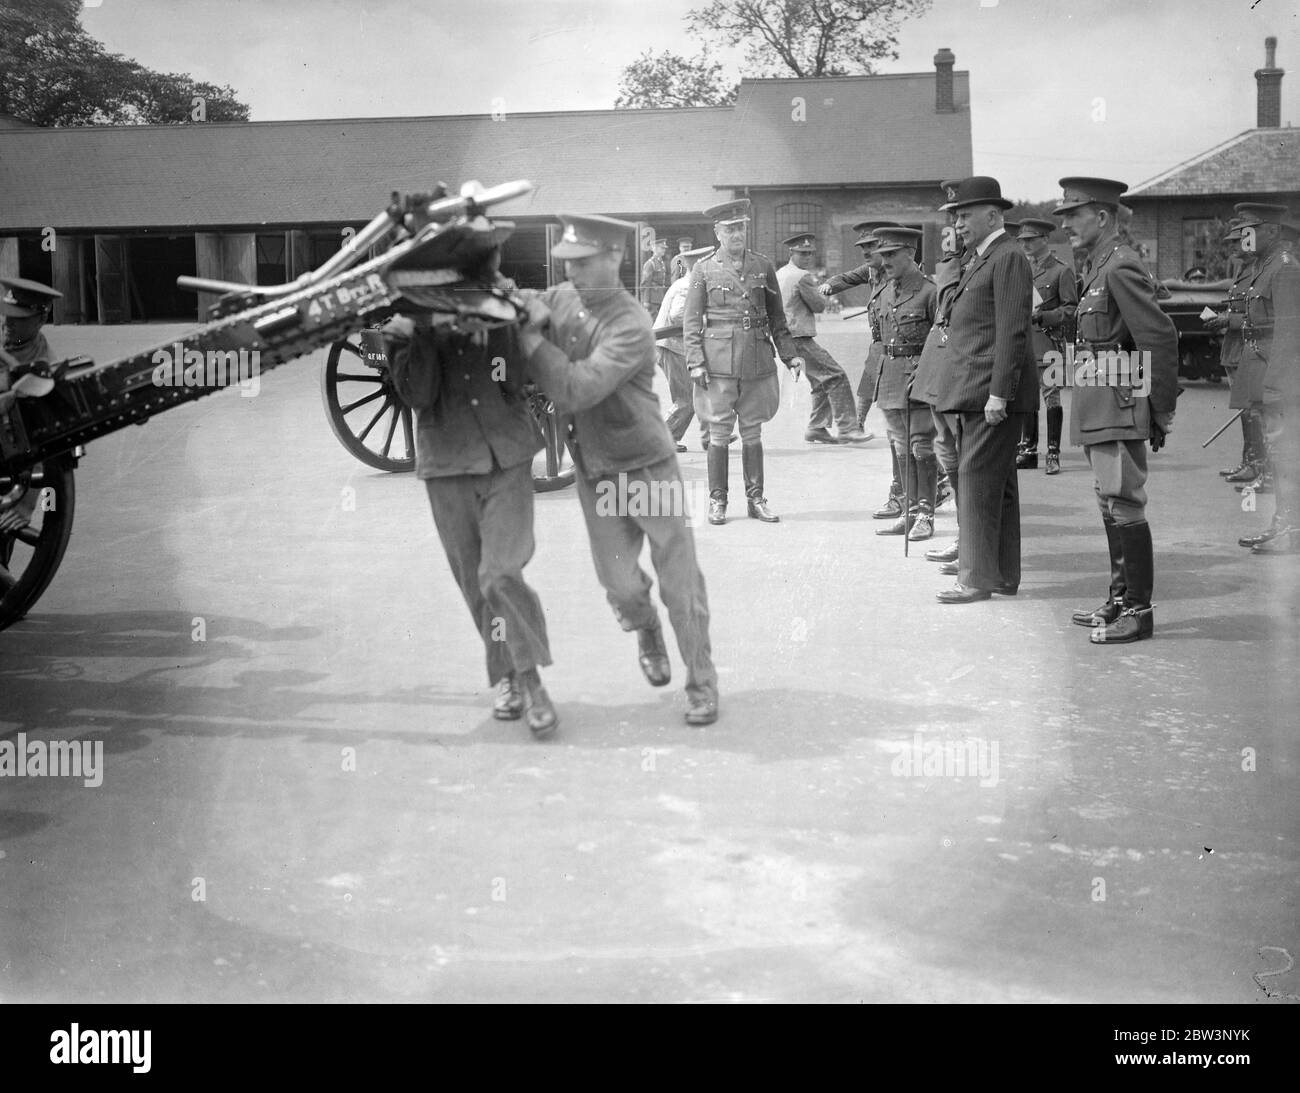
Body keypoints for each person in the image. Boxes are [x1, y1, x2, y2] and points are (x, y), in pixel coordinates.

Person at [519, 213, 719, 726]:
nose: (574, 273)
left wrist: (530, 342)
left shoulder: (630, 324)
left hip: (646, 469)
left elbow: (577, 389)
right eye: (568, 264)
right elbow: (528, 298)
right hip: (597, 470)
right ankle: (645, 626)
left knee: (680, 586)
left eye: (584, 263)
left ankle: (701, 682)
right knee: (621, 584)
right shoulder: (564, 297)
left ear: (615, 258)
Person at [1054, 177, 1179, 641]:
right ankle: (1118, 599)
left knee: (1124, 500)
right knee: (1108, 498)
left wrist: (1160, 408)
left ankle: (1138, 611)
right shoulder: (1096, 265)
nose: (1065, 224)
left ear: (1103, 217)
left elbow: (1158, 337)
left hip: (1118, 398)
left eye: (1073, 215)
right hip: (1097, 395)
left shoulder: (1120, 266)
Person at [926, 176, 1037, 604]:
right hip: (976, 390)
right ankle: (1003, 575)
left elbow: (1012, 332)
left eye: (965, 214)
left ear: (993, 214)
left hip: (989, 394)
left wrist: (999, 394)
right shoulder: (982, 257)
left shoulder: (1007, 256)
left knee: (974, 480)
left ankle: (975, 579)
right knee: (1000, 485)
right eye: (955, 215)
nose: (958, 222)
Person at [682, 198, 804, 525]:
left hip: (756, 359)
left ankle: (756, 499)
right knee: (719, 433)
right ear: (717, 232)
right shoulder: (704, 269)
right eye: (730, 229)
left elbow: (778, 318)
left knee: (753, 432)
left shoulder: (762, 267)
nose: (736, 234)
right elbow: (691, 322)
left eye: (740, 228)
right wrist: (695, 361)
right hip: (718, 363)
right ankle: (717, 501)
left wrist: (790, 355)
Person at [1230, 204, 1300, 553]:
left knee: (1286, 453)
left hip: (1281, 374)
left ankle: (1289, 528)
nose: (1244, 237)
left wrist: (1276, 384)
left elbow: (1290, 331)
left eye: (1249, 230)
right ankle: (1285, 525)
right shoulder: (1266, 267)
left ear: (1271, 231)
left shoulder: (1285, 268)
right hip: (1265, 365)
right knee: (1278, 452)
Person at [869, 227, 938, 541]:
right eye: (883, 255)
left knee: (921, 443)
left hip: (917, 377)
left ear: (910, 253)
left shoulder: (929, 292)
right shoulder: (884, 291)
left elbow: (940, 343)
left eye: (891, 254)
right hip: (890, 376)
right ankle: (909, 510)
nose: (885, 261)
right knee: (899, 444)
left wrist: (924, 376)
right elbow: (880, 340)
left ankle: (926, 513)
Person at [776, 232, 870, 445]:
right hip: (799, 336)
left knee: (821, 382)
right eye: (802, 253)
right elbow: (818, 306)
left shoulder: (781, 272)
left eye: (810, 253)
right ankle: (848, 429)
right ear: (791, 252)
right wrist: (821, 294)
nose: (808, 257)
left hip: (786, 337)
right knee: (835, 376)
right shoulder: (801, 276)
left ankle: (816, 428)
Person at [0, 277, 62, 598]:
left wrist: (25, 504)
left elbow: (42, 446)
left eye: (18, 319)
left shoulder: (42, 363)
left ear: (41, 318)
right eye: (6, 314)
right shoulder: (4, 336)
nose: (8, 323)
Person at [915, 204, 967, 569]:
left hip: (965, 379)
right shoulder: (948, 268)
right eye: (950, 226)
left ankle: (972, 541)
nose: (953, 231)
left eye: (959, 222)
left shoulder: (990, 263)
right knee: (947, 454)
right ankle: (964, 537)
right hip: (940, 378)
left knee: (967, 462)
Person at [1016, 218, 1079, 474]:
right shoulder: (1021, 269)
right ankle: (1029, 451)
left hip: (1047, 341)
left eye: (1031, 239)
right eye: (1023, 241)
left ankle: (1053, 453)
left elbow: (1071, 309)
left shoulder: (1061, 271)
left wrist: (1044, 316)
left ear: (1045, 239)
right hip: (1023, 343)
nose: (1026, 245)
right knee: (1027, 399)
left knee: (1051, 397)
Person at [1206, 217, 1264, 491]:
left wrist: (1227, 319)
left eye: (1236, 241)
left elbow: (1262, 317)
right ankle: (1248, 461)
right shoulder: (1245, 271)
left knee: (1252, 411)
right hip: (1234, 348)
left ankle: (1256, 465)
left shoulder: (1257, 271)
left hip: (1248, 349)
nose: (1230, 246)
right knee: (1244, 410)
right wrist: (1224, 316)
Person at [653, 245, 715, 452]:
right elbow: (678, 316)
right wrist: (707, 321)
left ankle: (711, 436)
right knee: (685, 400)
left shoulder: (690, 283)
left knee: (698, 392)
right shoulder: (687, 286)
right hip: (671, 346)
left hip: (675, 346)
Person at [639, 237, 669, 313]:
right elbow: (646, 283)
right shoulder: (650, 263)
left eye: (664, 248)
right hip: (652, 298)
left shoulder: (661, 263)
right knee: (653, 319)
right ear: (654, 248)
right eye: (662, 248)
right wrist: (646, 300)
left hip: (659, 297)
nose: (664, 250)